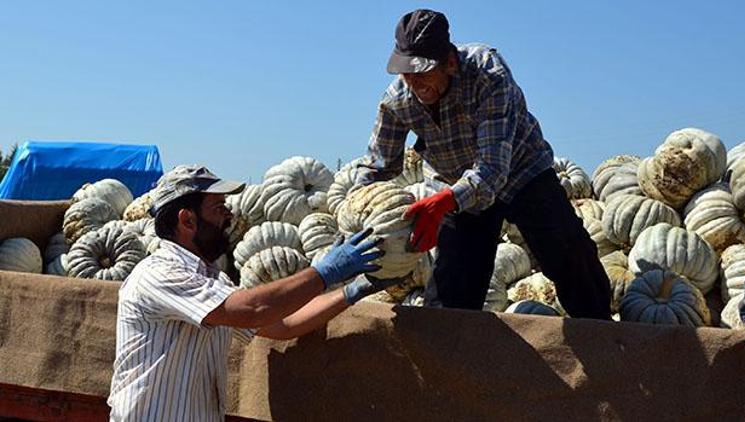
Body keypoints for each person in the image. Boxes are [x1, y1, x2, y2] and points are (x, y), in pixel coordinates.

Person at [356, 9, 611, 319]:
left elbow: (491, 170)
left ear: (449, 63)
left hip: (522, 172)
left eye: (422, 71)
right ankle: (447, 359)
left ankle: (606, 338)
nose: (413, 81)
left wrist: (444, 201)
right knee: (452, 291)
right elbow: (376, 167)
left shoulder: (487, 74)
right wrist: (358, 210)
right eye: (405, 72)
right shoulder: (398, 100)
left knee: (571, 257)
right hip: (454, 186)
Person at [108, 165, 399, 421]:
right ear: (187, 221)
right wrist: (325, 273)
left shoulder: (211, 279)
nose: (230, 215)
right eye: (219, 207)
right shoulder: (159, 274)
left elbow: (280, 325)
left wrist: (350, 291)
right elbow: (254, 309)